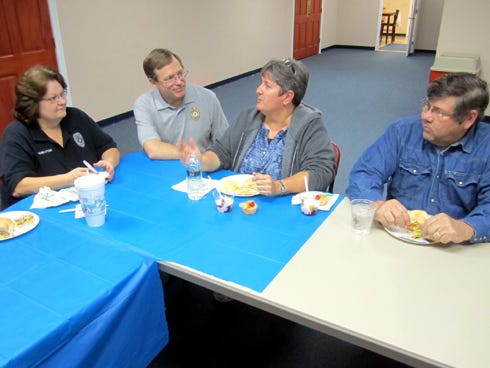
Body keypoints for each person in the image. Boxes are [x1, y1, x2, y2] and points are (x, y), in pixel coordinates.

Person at [346, 72, 490, 244]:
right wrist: (376, 204)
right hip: (397, 237)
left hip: (456, 247)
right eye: (427, 106)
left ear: (469, 118)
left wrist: (467, 228)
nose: (425, 116)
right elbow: (365, 173)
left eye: (439, 112)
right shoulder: (402, 131)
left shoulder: (486, 147)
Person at [178, 58, 336, 195]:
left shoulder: (310, 126)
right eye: (261, 83)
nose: (258, 90)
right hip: (242, 205)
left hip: (282, 208)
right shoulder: (248, 118)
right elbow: (223, 152)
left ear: (287, 97)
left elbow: (320, 172)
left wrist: (280, 186)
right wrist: (202, 160)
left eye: (267, 86)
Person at [0, 65, 120, 208]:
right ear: (33, 103)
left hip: (86, 200)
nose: (62, 101)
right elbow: (18, 186)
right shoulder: (17, 134)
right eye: (53, 98)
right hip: (40, 210)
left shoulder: (76, 117)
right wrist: (68, 179)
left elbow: (109, 147)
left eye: (62, 94)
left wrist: (108, 163)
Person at [133, 48, 229, 160]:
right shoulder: (144, 105)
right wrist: (192, 154)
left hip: (202, 167)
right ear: (153, 82)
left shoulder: (207, 97)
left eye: (180, 74)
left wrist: (202, 160)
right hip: (166, 168)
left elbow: (225, 143)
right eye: (169, 78)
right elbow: (153, 149)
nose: (179, 82)